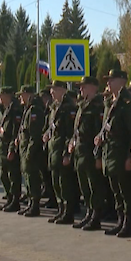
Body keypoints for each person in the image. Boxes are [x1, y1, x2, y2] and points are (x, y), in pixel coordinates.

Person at [95, 69, 131, 237]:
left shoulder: (127, 104)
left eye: (111, 79)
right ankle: (121, 220)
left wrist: (129, 156)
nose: (108, 82)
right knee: (116, 191)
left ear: (122, 81)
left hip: (121, 153)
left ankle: (128, 223)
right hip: (110, 152)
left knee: (125, 190)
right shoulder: (110, 103)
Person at [70, 77, 106, 229]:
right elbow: (76, 129)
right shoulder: (82, 106)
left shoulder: (99, 106)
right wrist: (72, 142)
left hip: (91, 152)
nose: (81, 89)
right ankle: (89, 213)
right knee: (84, 186)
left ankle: (96, 216)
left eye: (84, 87)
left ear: (93, 87)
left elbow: (100, 132)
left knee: (94, 186)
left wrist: (98, 156)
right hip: (80, 151)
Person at [47, 81, 79, 223]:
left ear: (62, 90)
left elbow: (70, 133)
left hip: (62, 151)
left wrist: (67, 153)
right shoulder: (54, 107)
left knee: (65, 183)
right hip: (53, 151)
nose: (52, 92)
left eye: (54, 89)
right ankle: (61, 210)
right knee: (56, 183)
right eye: (51, 90)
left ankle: (68, 212)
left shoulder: (69, 108)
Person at [16, 86, 46, 216]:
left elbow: (34, 134)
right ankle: (30, 203)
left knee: (33, 179)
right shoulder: (28, 109)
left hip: (32, 152)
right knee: (28, 178)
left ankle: (35, 205)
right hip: (25, 149)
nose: (20, 98)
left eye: (22, 95)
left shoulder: (35, 110)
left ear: (29, 95)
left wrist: (29, 152)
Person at [0, 87, 23, 212]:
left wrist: (12, 149)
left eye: (1, 95)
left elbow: (15, 132)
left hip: (10, 147)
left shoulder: (15, 110)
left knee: (13, 176)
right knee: (4, 175)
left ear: (8, 95)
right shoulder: (6, 109)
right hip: (3, 147)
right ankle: (10, 198)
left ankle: (15, 201)